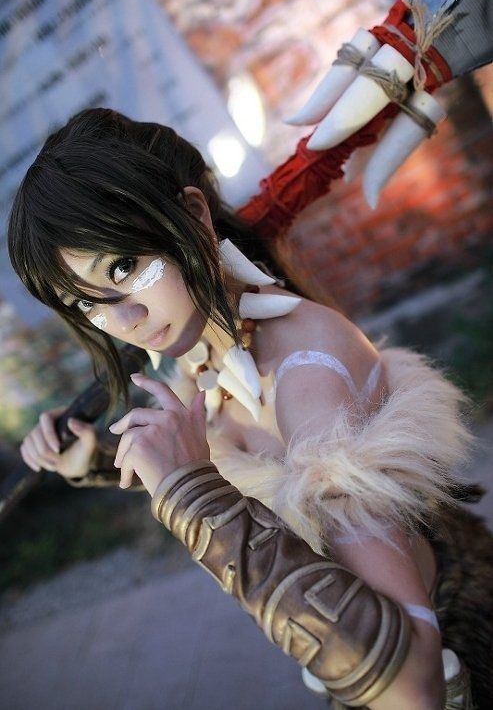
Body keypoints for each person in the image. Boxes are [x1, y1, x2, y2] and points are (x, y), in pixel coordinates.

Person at [9, 107, 492, 708]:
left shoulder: (308, 373)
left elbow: (414, 683)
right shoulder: (202, 354)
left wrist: (191, 494)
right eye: (86, 302)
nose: (123, 319)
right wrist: (102, 461)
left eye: (124, 266)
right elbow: (232, 463)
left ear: (194, 215)